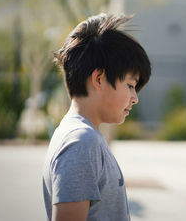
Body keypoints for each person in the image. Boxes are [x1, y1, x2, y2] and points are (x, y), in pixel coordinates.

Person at [42, 13, 151, 221]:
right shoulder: (81, 142)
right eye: (130, 85)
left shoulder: (80, 136)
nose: (135, 98)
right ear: (99, 78)